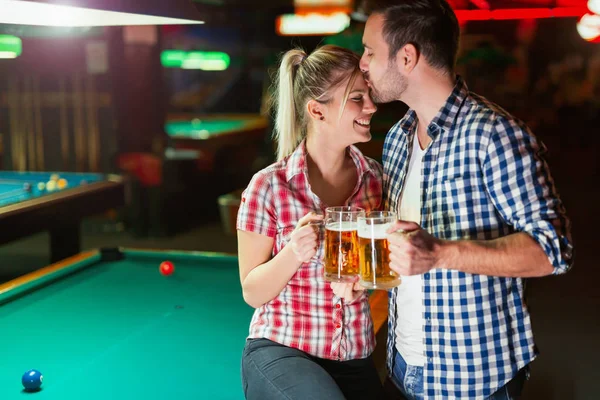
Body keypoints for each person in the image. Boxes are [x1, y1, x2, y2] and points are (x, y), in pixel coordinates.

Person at [356, 1, 575, 399]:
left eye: (370, 51)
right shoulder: (397, 139)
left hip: (473, 378)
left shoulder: (495, 134)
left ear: (407, 57)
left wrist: (441, 253)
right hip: (400, 366)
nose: (363, 63)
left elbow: (553, 251)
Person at [236, 44, 385, 400]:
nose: (372, 107)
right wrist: (292, 253)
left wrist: (362, 284)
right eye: (357, 98)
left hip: (355, 354)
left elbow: (376, 268)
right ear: (317, 110)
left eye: (369, 96)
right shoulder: (268, 186)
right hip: (281, 349)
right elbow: (252, 291)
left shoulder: (376, 180)